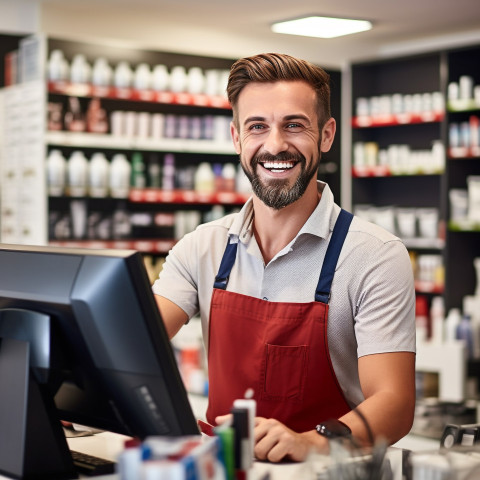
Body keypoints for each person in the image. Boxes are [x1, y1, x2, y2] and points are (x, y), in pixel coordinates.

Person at [153, 52, 416, 463]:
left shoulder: (374, 256)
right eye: (257, 127)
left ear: (326, 135)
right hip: (226, 469)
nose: (275, 145)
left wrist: (313, 442)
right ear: (237, 137)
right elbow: (134, 338)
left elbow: (395, 404)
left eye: (294, 125)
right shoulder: (202, 247)